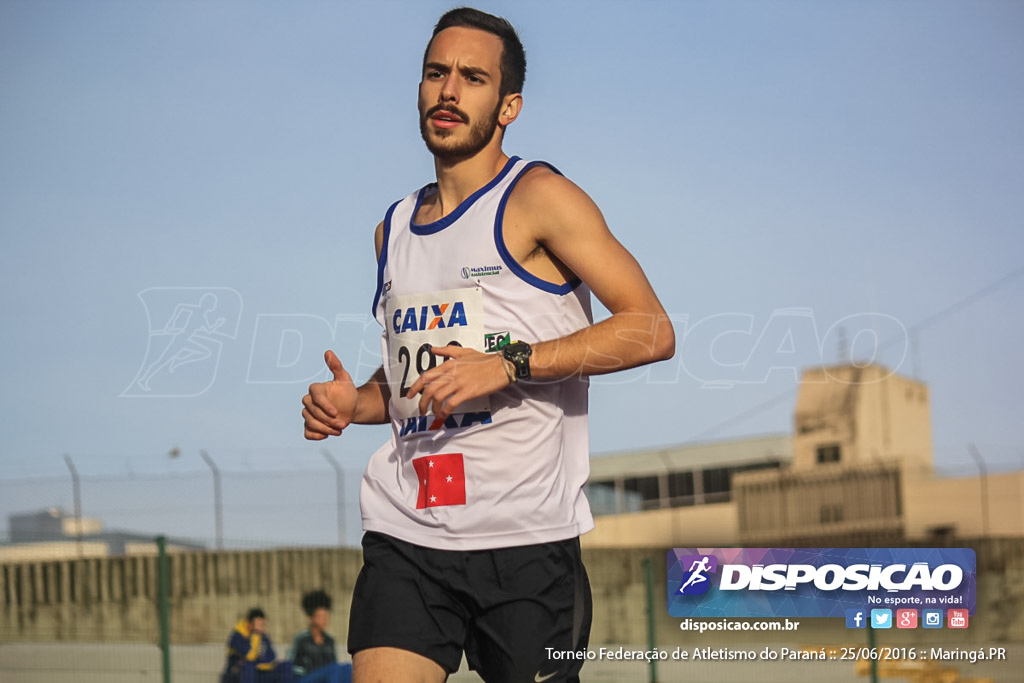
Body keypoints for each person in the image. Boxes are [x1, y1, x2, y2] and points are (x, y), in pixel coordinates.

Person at [301, 7, 674, 682]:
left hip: (525, 542)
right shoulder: (393, 231)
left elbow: (651, 327)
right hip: (407, 533)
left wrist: (509, 364)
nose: (448, 91)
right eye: (435, 73)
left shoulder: (539, 197)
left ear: (508, 107)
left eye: (472, 78)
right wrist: (350, 402)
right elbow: (412, 382)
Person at [287, 590, 352, 683]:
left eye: (326, 616)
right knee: (335, 670)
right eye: (321, 616)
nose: (325, 620)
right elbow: (290, 665)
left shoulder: (330, 641)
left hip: (326, 678)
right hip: (306, 678)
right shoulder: (301, 639)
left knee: (348, 668)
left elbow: (334, 663)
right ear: (311, 618)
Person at [222, 608, 294, 683]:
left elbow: (271, 656)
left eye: (264, 625)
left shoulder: (263, 637)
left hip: (259, 672)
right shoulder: (237, 636)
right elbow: (248, 656)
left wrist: (262, 663)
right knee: (248, 666)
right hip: (239, 674)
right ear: (249, 625)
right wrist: (255, 637)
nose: (263, 629)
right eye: (260, 625)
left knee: (286, 666)